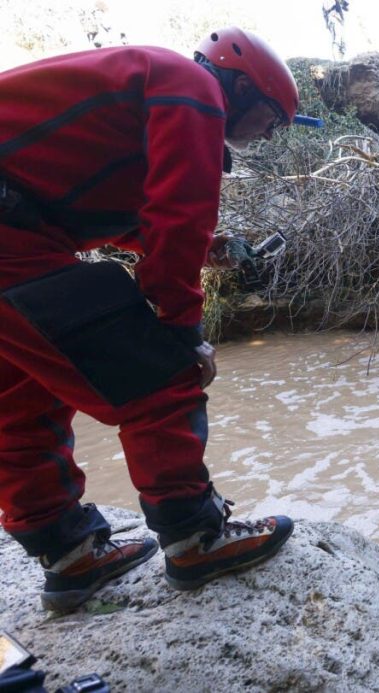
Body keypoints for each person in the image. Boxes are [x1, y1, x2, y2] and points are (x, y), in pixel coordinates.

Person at [0, 27, 301, 612]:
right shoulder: (191, 88)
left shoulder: (151, 84)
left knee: (21, 399)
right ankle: (195, 537)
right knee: (160, 377)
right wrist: (182, 332)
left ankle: (68, 557)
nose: (270, 133)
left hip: (19, 230)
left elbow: (99, 208)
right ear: (239, 84)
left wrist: (202, 245)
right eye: (271, 117)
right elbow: (175, 220)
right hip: (13, 237)